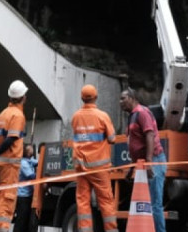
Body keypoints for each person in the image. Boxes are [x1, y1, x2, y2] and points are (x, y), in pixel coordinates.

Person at [71, 84, 117, 232]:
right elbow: (112, 138)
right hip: (99, 167)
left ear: (82, 98)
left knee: (83, 201)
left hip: (81, 166)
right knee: (106, 201)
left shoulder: (76, 116)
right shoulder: (102, 116)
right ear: (96, 97)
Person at [120, 89, 165, 232]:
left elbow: (149, 135)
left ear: (132, 98)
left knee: (154, 204)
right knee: (147, 204)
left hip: (154, 161)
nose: (120, 102)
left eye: (123, 98)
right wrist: (132, 168)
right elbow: (135, 144)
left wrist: (150, 161)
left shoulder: (142, 113)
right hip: (143, 163)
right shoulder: (132, 116)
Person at [0, 80, 29, 232]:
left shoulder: (1, 115)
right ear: (23, 97)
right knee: (7, 200)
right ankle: (2, 229)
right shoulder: (18, 115)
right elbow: (11, 139)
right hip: (10, 165)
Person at [13, 144, 39, 232]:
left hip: (28, 195)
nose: (33, 149)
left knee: (26, 220)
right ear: (27, 153)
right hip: (23, 196)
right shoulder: (23, 164)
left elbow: (37, 162)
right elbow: (32, 176)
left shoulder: (29, 161)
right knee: (21, 220)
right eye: (31, 149)